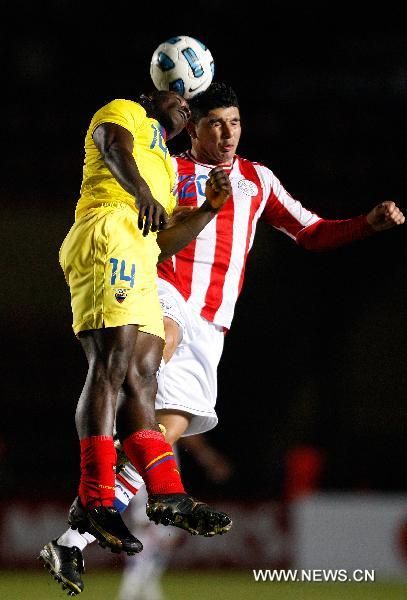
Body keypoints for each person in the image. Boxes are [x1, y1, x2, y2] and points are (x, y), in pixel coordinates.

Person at [40, 83, 404, 595]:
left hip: (213, 326)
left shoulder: (258, 181)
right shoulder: (169, 169)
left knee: (161, 436)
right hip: (163, 293)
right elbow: (141, 209)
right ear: (193, 127)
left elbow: (312, 232)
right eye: (215, 123)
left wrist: (366, 225)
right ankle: (110, 414)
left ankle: (72, 541)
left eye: (234, 123)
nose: (227, 133)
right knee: (139, 362)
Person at [53, 89, 234, 563]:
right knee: (111, 365)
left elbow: (164, 236)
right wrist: (141, 193)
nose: (183, 106)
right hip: (107, 232)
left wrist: (208, 209)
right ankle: (94, 500)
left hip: (141, 252)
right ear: (151, 94)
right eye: (175, 96)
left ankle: (166, 491)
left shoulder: (166, 166)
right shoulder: (125, 112)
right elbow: (112, 145)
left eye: (187, 104)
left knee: (144, 376)